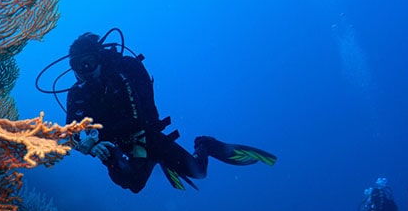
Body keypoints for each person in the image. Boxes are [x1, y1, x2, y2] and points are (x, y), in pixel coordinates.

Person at [64, 31, 277, 193]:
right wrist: (91, 146)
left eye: (88, 63)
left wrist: (97, 137)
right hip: (115, 145)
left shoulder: (121, 76)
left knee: (198, 172)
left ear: (99, 58)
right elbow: (69, 135)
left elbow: (137, 120)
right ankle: (152, 161)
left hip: (143, 136)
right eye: (77, 65)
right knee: (133, 184)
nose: (83, 71)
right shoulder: (76, 94)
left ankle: (205, 145)